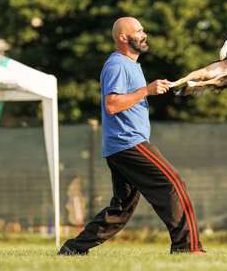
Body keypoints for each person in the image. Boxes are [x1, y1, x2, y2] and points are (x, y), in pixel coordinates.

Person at [58, 17, 204, 255]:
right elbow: (112, 105)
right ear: (124, 38)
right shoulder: (117, 65)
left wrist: (150, 89)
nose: (144, 34)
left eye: (143, 29)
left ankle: (73, 249)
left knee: (120, 210)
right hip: (128, 143)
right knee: (174, 183)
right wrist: (147, 90)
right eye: (138, 31)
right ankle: (187, 247)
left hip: (120, 147)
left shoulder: (131, 65)